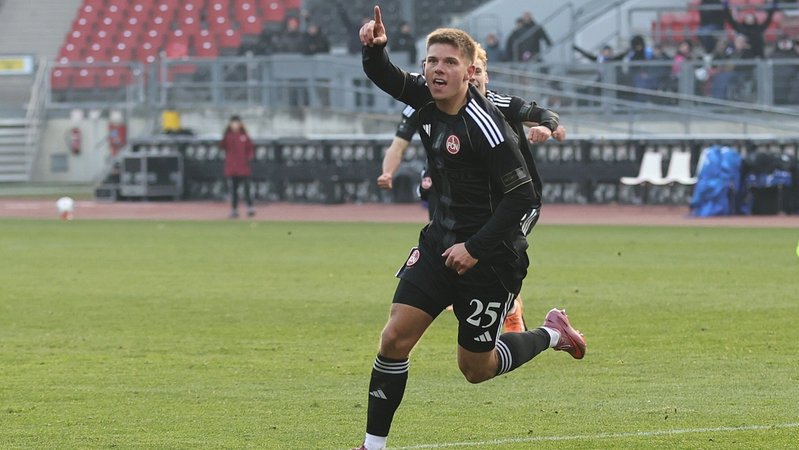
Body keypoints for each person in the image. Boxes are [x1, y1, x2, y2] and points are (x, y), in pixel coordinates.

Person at [355, 7, 586, 450]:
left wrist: (476, 248)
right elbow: (386, 77)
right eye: (431, 61)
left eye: (449, 62)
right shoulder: (425, 96)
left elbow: (522, 196)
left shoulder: (488, 126)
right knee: (394, 337)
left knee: (475, 369)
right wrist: (374, 49)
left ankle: (553, 332)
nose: (438, 69)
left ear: (468, 73)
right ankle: (372, 445)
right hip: (439, 243)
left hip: (491, 258)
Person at [376, 45, 566, 333]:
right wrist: (387, 171)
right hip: (451, 190)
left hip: (515, 201)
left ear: (483, 75)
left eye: (477, 69)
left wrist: (548, 127)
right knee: (447, 232)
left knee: (499, 247)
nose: (473, 75)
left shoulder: (496, 106)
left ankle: (510, 306)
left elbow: (541, 114)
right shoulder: (426, 101)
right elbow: (399, 142)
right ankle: (456, 293)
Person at [220, 115, 255, 218]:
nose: (235, 125)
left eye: (236, 123)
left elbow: (250, 149)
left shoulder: (244, 136)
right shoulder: (228, 136)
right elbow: (222, 146)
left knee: (247, 188)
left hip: (243, 167)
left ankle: (250, 207)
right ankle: (234, 209)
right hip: (232, 168)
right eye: (233, 123)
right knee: (234, 190)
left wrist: (248, 158)